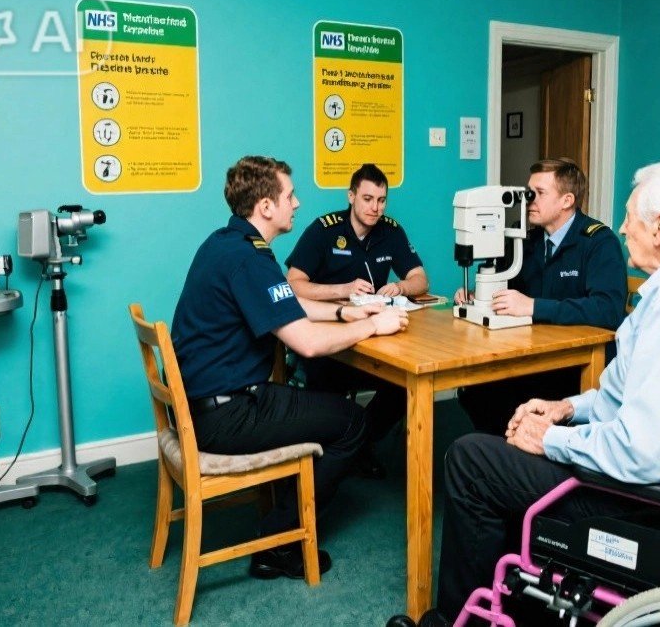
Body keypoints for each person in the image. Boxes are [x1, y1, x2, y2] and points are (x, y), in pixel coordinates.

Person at [410, 157, 660, 627]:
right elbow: (626, 395)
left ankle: (459, 620)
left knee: (471, 458)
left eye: (630, 216)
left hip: (651, 502)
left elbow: (645, 454)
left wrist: (550, 440)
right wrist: (567, 408)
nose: (622, 227)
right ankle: (523, 598)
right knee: (505, 431)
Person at [171, 155, 409, 581]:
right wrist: (375, 322)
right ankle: (280, 541)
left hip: (206, 402)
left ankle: (286, 511)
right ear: (266, 206)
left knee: (322, 408)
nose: (297, 204)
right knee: (353, 424)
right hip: (227, 414)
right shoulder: (250, 259)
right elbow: (309, 346)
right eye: (290, 195)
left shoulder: (226, 244)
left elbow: (286, 303)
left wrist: (341, 315)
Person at [454, 158, 627, 435]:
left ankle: (522, 453)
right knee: (474, 389)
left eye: (539, 193)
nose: (529, 200)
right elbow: (506, 289)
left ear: (567, 200)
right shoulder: (527, 240)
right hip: (533, 354)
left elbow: (608, 310)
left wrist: (533, 306)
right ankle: (507, 455)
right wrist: (478, 296)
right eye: (527, 191)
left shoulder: (598, 242)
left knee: (501, 393)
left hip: (574, 363)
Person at [285, 163, 430, 478]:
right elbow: (293, 283)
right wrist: (344, 289)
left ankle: (362, 442)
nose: (375, 208)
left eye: (381, 200)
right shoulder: (325, 229)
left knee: (404, 383)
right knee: (323, 380)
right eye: (367, 199)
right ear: (351, 197)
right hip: (329, 338)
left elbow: (421, 279)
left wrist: (401, 286)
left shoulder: (391, 230)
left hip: (374, 335)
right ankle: (336, 450)